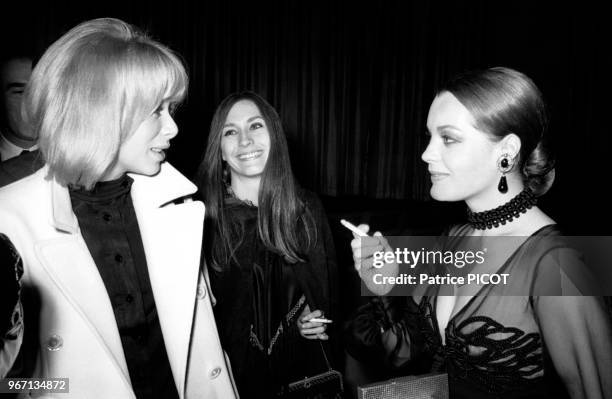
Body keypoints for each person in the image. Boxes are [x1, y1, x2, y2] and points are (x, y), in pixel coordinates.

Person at [0, 18, 237, 398]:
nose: (173, 128)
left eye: (170, 108)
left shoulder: (180, 207)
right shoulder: (9, 218)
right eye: (156, 111)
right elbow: (10, 383)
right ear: (100, 111)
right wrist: (56, 390)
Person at [348, 67, 612, 398]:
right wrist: (384, 285)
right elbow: (400, 354)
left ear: (506, 151)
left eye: (448, 138)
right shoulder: (453, 237)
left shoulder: (559, 265)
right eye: (429, 137)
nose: (426, 154)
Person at [197, 91, 339, 397]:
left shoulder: (306, 210)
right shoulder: (201, 220)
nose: (245, 140)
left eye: (256, 126)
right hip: (228, 383)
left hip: (301, 377)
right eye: (231, 132)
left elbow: (327, 297)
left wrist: (313, 321)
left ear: (274, 135)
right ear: (220, 150)